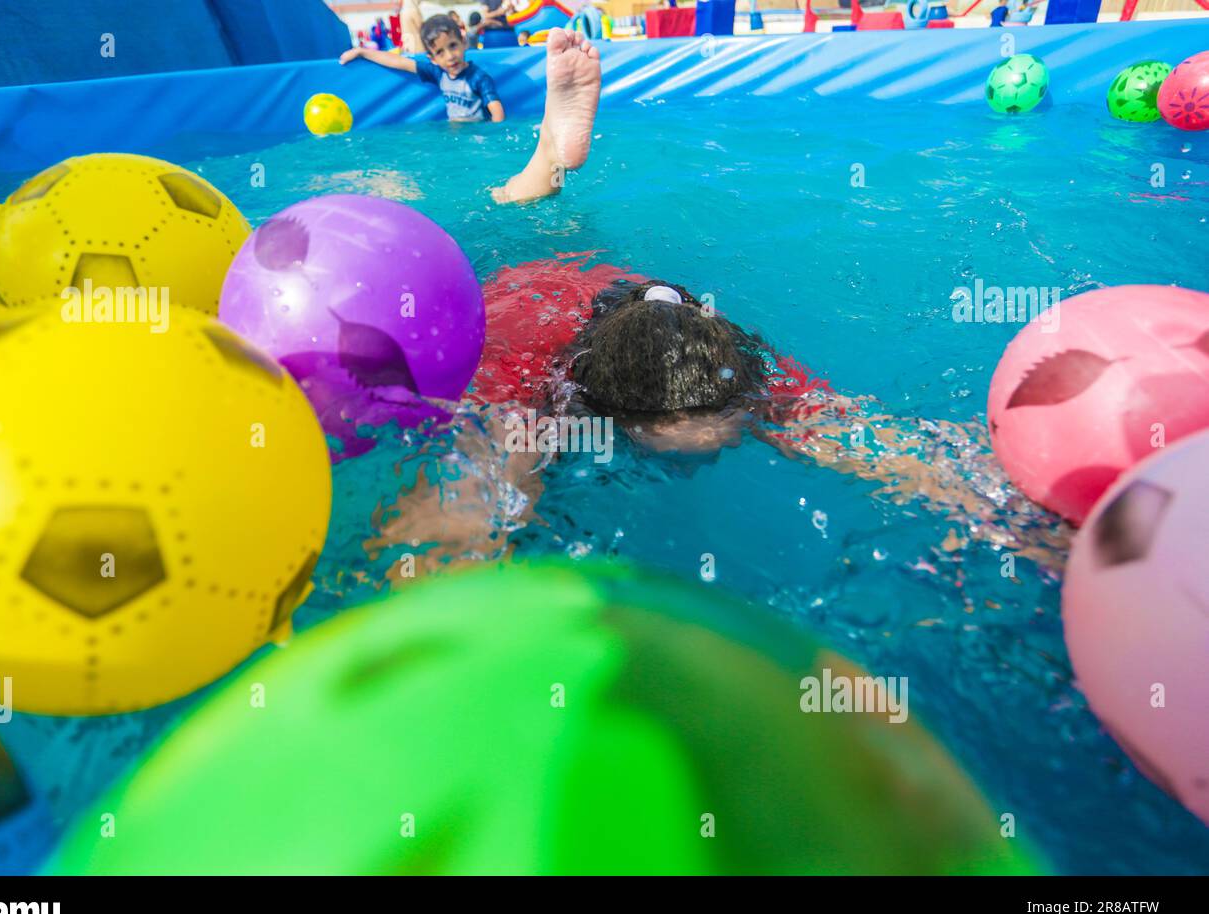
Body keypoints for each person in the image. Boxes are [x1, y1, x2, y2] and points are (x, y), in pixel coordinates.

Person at [360, 31, 1068, 579]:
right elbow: (447, 527)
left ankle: (550, 159)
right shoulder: (520, 377)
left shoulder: (725, 363)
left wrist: (1022, 514)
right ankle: (544, 158)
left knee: (555, 219)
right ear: (604, 408)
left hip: (621, 290)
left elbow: (878, 442)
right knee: (508, 213)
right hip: (523, 288)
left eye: (728, 432)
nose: (704, 464)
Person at [340, 15, 506, 123]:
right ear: (432, 59)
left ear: (464, 43)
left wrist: (495, 138)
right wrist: (361, 51)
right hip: (455, 134)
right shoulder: (439, 73)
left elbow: (496, 110)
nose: (449, 56)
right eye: (440, 52)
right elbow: (399, 62)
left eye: (453, 45)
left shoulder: (478, 77)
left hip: (477, 135)